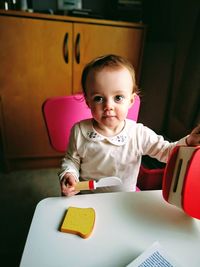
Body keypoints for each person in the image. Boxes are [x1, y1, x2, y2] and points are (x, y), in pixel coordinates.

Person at [59, 54, 200, 197]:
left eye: (118, 98)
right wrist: (69, 174)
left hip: (125, 199)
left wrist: (189, 142)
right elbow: (72, 160)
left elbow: (167, 152)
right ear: (88, 102)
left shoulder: (138, 134)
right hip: (86, 196)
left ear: (131, 101)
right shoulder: (79, 131)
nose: (108, 106)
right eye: (98, 98)